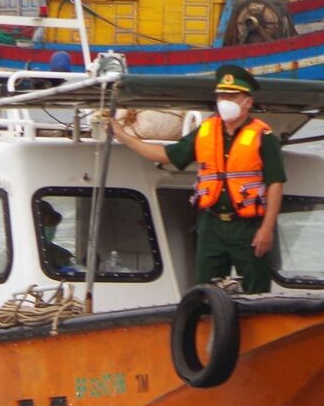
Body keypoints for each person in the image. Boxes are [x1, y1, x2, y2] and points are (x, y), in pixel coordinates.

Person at [109, 64, 284, 293]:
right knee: (205, 290)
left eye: (232, 96)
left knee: (257, 290)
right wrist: (123, 136)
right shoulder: (205, 132)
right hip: (211, 224)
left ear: (247, 102)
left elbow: (275, 184)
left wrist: (267, 229)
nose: (225, 101)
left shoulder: (264, 137)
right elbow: (165, 155)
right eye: (222, 95)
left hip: (249, 227)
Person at [36, 201, 78, 273]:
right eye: (48, 223)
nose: (51, 227)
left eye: (53, 222)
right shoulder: (16, 253)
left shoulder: (64, 255)